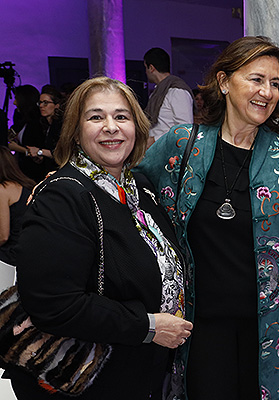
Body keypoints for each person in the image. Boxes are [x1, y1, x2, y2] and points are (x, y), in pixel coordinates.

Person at [136, 36, 279, 399]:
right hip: (199, 328)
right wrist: (72, 182)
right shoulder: (182, 145)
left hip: (269, 331)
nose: (267, 92)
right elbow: (128, 189)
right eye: (256, 79)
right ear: (223, 82)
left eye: (275, 83)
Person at [11, 76, 193, 399]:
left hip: (140, 376)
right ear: (76, 132)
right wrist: (149, 326)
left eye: (121, 117)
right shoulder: (63, 196)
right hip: (87, 383)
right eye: (96, 117)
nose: (111, 127)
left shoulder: (140, 189)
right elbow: (54, 304)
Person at [144, 47, 194, 147]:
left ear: (151, 68)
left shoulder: (177, 91)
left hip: (170, 152)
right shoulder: (157, 92)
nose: (146, 72)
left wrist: (154, 139)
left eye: (145, 68)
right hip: (155, 151)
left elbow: (185, 129)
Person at [0, 146, 34, 290]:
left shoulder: (3, 189)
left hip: (9, 258)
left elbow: (3, 236)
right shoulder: (26, 185)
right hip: (29, 254)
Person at [7, 85, 46, 182]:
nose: (14, 103)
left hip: (35, 173)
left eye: (16, 99)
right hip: (24, 170)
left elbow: (39, 155)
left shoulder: (37, 123)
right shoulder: (22, 119)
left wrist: (19, 149)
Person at [26, 85, 65, 176]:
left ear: (56, 105)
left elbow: (61, 153)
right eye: (40, 103)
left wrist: (39, 151)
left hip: (59, 172)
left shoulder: (60, 125)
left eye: (45, 103)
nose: (41, 106)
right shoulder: (45, 124)